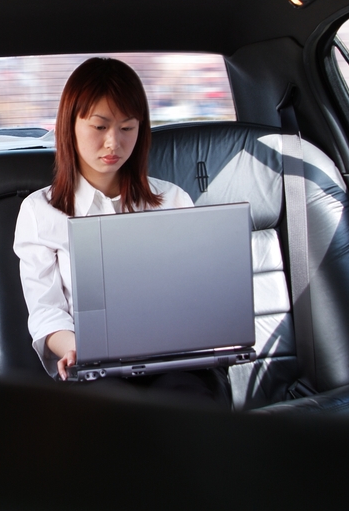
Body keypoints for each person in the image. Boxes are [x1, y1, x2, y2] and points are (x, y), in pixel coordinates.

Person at [14, 58, 228, 404]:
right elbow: (45, 308)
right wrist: (73, 347)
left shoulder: (173, 200)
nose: (113, 143)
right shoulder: (41, 212)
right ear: (70, 126)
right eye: (99, 127)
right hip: (94, 364)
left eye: (127, 128)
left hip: (175, 362)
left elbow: (195, 296)